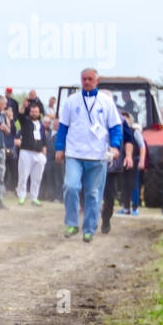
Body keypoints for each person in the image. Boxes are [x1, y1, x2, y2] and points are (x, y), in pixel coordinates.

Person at [55, 67, 122, 242]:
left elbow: (116, 127)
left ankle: (89, 229)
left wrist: (115, 147)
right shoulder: (71, 101)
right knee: (71, 186)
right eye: (83, 79)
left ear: (97, 81)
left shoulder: (106, 102)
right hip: (74, 153)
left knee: (93, 194)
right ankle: (72, 223)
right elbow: (63, 128)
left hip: (98, 155)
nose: (86, 82)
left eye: (90, 79)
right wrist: (59, 148)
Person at [99, 104, 136, 234]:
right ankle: (89, 222)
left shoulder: (120, 120)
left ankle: (106, 218)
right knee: (92, 193)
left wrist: (129, 156)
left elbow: (129, 140)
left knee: (109, 196)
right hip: (92, 162)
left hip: (112, 164)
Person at [14, 101, 49, 205]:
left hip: (39, 153)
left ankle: (34, 198)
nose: (34, 113)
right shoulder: (25, 122)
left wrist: (44, 152)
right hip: (26, 152)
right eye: (32, 111)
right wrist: (23, 106)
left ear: (39, 113)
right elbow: (19, 115)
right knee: (23, 175)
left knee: (37, 177)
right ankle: (21, 196)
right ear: (30, 112)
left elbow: (43, 139)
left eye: (36, 111)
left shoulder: (41, 125)